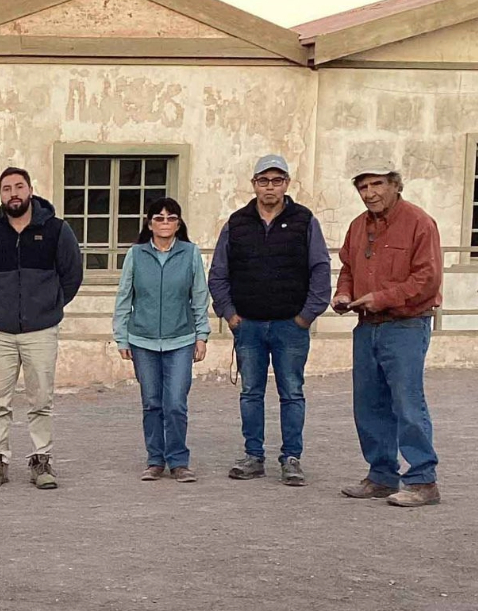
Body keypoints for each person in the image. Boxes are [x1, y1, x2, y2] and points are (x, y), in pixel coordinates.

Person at [209, 155, 331, 486]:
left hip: (290, 326)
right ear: (254, 184)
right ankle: (253, 456)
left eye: (277, 181)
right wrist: (229, 314)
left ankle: (291, 458)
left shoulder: (305, 221)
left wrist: (307, 316)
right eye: (263, 181)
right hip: (247, 325)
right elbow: (219, 272)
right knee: (251, 392)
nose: (270, 187)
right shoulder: (236, 223)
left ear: (287, 184)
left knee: (291, 391)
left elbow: (320, 268)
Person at [0, 167, 82, 490]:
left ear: (31, 190)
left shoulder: (57, 231)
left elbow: (72, 275)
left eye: (19, 186)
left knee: (40, 399)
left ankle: (41, 461)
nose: (13, 193)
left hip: (41, 330)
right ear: (0, 194)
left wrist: (50, 305)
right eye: (6, 188)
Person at [333, 162, 443, 507]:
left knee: (408, 402)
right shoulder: (357, 226)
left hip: (406, 325)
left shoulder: (419, 223)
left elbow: (427, 278)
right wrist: (343, 294)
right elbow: (348, 268)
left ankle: (423, 480)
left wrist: (381, 298)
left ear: (396, 185)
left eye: (377, 185)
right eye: (363, 187)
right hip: (366, 326)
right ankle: (381, 475)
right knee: (368, 404)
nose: (370, 193)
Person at [114, 197, 211, 483]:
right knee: (152, 402)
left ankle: (179, 461)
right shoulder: (136, 254)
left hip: (180, 338)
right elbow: (124, 297)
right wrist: (121, 337)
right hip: (142, 339)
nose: (165, 223)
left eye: (171, 218)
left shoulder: (191, 254)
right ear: (149, 223)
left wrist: (201, 336)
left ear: (179, 224)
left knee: (176, 402)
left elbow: (200, 297)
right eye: (159, 218)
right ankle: (155, 459)